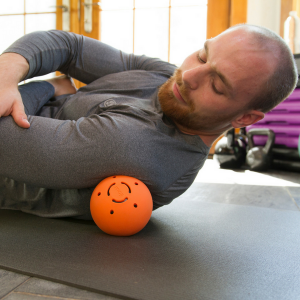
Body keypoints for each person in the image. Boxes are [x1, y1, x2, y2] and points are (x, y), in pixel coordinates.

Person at [0, 24, 297, 219]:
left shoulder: (141, 147)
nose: (188, 76)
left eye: (217, 85)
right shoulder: (169, 78)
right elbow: (70, 46)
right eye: (203, 56)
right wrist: (7, 72)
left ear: (244, 118)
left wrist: (46, 87)